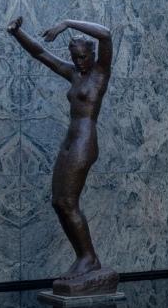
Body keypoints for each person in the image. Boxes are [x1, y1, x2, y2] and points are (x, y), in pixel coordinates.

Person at [7, 16, 113, 284]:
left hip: (84, 143)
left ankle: (89, 258)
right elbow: (41, 53)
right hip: (70, 141)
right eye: (74, 57)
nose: (78, 62)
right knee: (59, 201)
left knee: (68, 201)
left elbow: (106, 34)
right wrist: (17, 33)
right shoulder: (73, 74)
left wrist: (66, 23)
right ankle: (84, 257)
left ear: (92, 54)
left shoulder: (100, 73)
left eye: (82, 56)